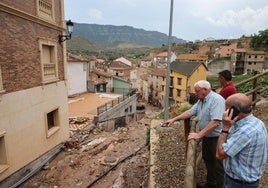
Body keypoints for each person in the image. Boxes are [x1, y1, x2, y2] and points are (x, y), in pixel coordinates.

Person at [164, 80, 225, 188]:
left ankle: (221, 185)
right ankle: (211, 184)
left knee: (218, 166)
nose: (195, 94)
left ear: (205, 90)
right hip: (208, 136)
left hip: (217, 138)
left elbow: (216, 122)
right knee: (208, 160)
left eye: (197, 91)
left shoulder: (216, 100)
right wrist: (174, 119)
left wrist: (198, 135)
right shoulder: (201, 100)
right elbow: (190, 112)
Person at [216, 93, 268, 188]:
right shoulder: (257, 122)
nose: (224, 112)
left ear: (234, 111)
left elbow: (220, 154)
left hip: (238, 183)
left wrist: (225, 128)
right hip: (248, 181)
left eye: (226, 108)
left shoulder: (244, 132)